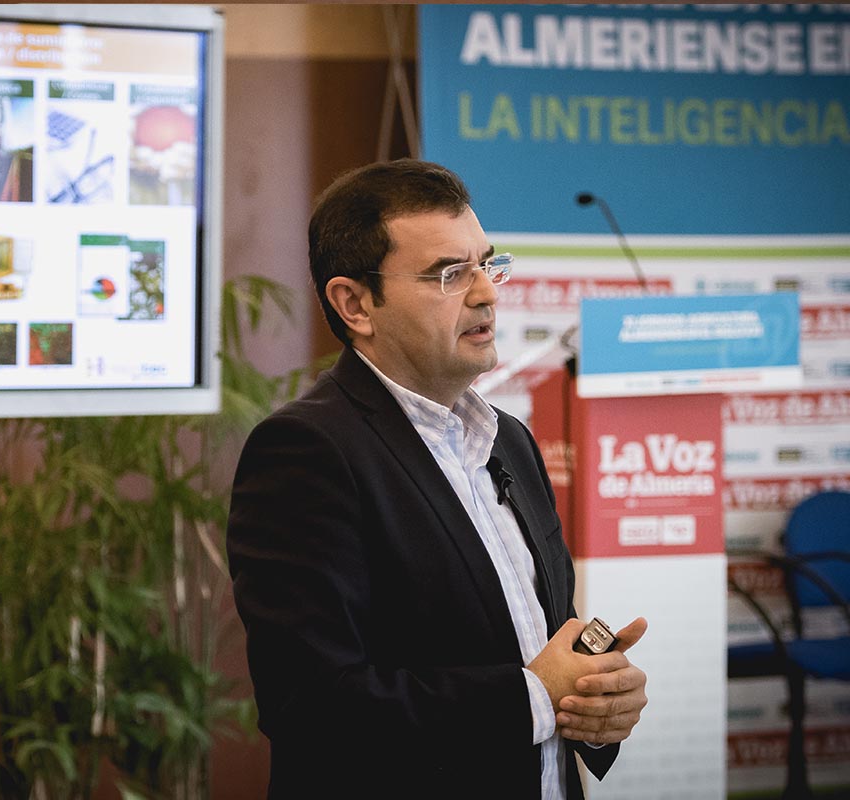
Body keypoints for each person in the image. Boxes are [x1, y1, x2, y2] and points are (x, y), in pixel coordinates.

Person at [226, 159, 648, 799]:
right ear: (356, 303)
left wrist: (594, 706)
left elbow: (540, 646)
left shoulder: (509, 438)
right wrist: (537, 694)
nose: (487, 293)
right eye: (450, 274)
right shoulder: (307, 451)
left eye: (487, 263)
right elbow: (313, 705)